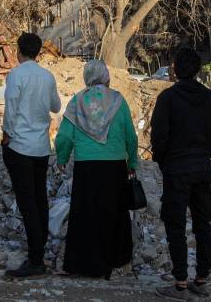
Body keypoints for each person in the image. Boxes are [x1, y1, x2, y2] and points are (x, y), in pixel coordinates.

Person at [151, 48, 211, 300]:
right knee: (202, 224)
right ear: (197, 70)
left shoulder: (167, 99)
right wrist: (204, 154)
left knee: (176, 226)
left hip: (176, 170)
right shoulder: (209, 98)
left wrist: (165, 161)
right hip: (201, 169)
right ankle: (201, 279)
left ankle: (181, 283)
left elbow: (158, 138)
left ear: (174, 68)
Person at [55, 60, 138, 279]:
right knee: (114, 213)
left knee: (86, 215)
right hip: (114, 166)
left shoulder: (77, 101)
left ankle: (83, 265)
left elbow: (64, 135)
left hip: (86, 167)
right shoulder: (118, 101)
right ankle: (117, 260)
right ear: (106, 76)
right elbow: (131, 135)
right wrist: (132, 163)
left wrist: (61, 157)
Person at [2, 32, 61, 278]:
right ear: (38, 52)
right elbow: (56, 107)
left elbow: (11, 110)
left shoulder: (16, 74)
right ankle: (40, 251)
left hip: (20, 147)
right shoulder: (47, 77)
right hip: (41, 148)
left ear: (19, 51)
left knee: (27, 203)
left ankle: (35, 259)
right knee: (40, 200)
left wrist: (6, 138)